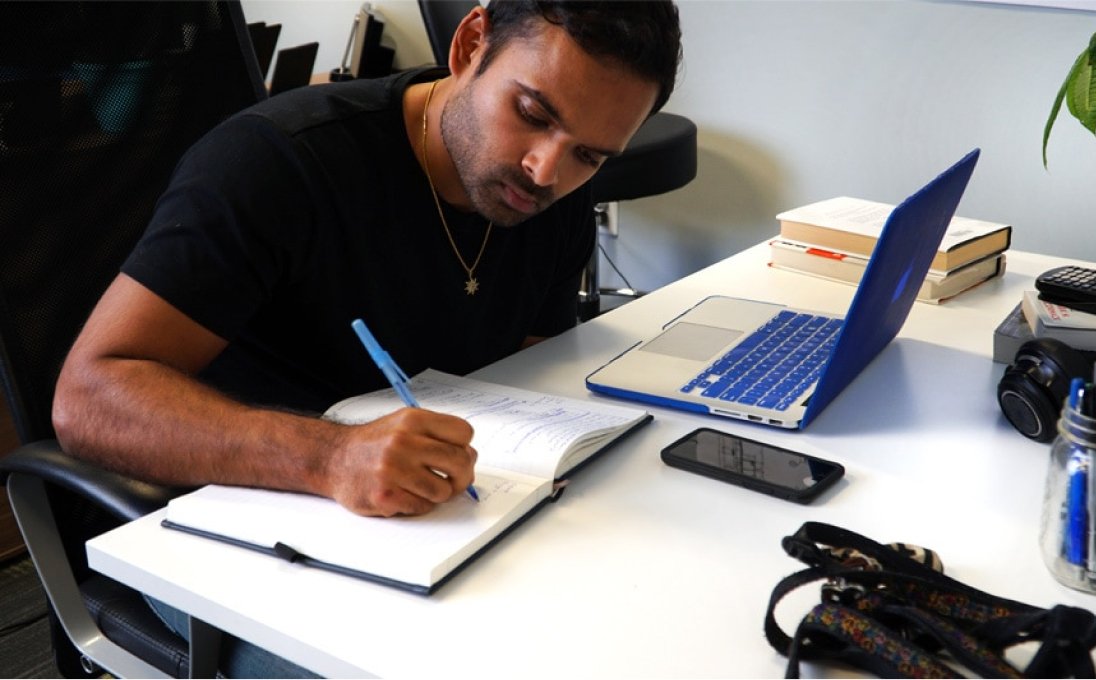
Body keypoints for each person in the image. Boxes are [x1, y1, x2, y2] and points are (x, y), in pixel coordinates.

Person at [51, 1, 682, 676]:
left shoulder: (553, 199)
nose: (545, 170)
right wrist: (331, 458)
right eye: (532, 112)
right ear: (471, 44)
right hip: (230, 540)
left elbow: (532, 370)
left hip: (429, 532)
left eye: (589, 154)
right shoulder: (279, 162)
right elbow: (87, 398)